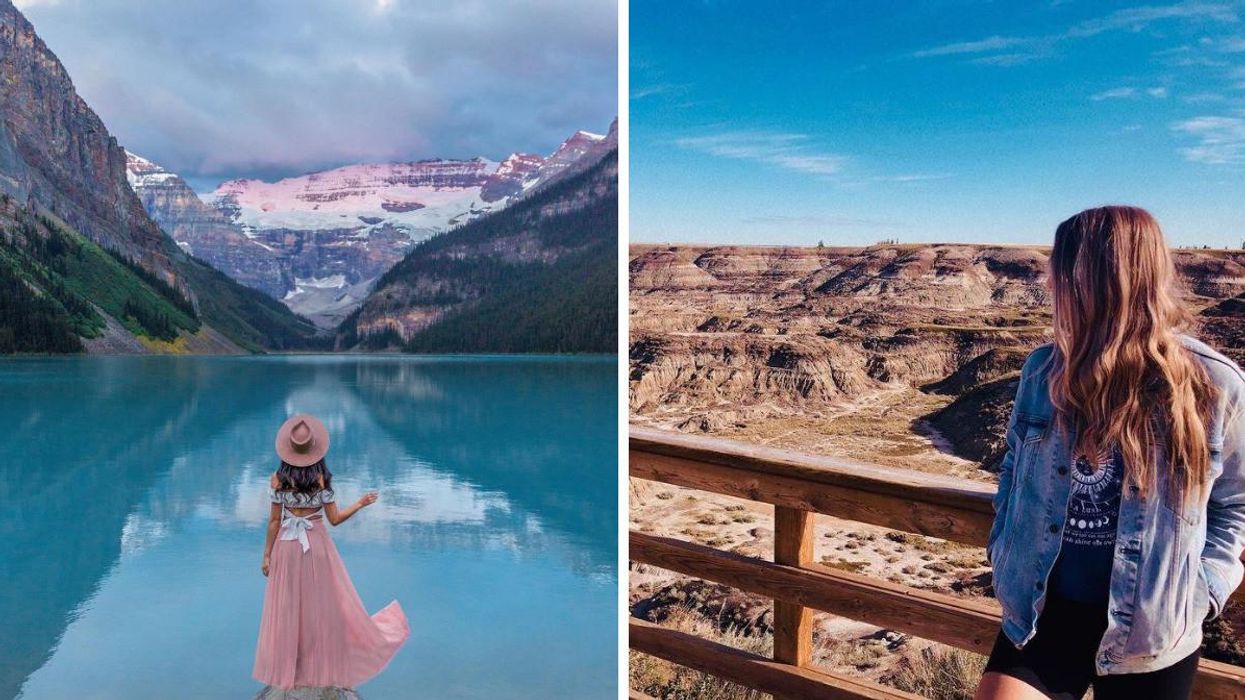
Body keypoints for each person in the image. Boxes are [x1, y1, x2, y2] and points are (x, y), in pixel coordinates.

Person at [975, 206, 1245, 700]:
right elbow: (1013, 467)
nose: (1049, 285)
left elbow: (1236, 503)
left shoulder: (1215, 385)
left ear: (1095, 279)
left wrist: (1204, 590)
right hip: (1041, 614)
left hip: (1150, 630)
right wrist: (1001, 549)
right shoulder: (1042, 372)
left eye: (1060, 272)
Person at [253, 414, 409, 690]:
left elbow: (275, 521)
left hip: (287, 546)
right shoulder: (322, 480)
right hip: (317, 545)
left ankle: (292, 667)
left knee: (288, 606)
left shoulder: (277, 480)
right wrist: (360, 503)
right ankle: (319, 665)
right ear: (314, 451)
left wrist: (267, 555)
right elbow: (334, 519)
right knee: (321, 607)